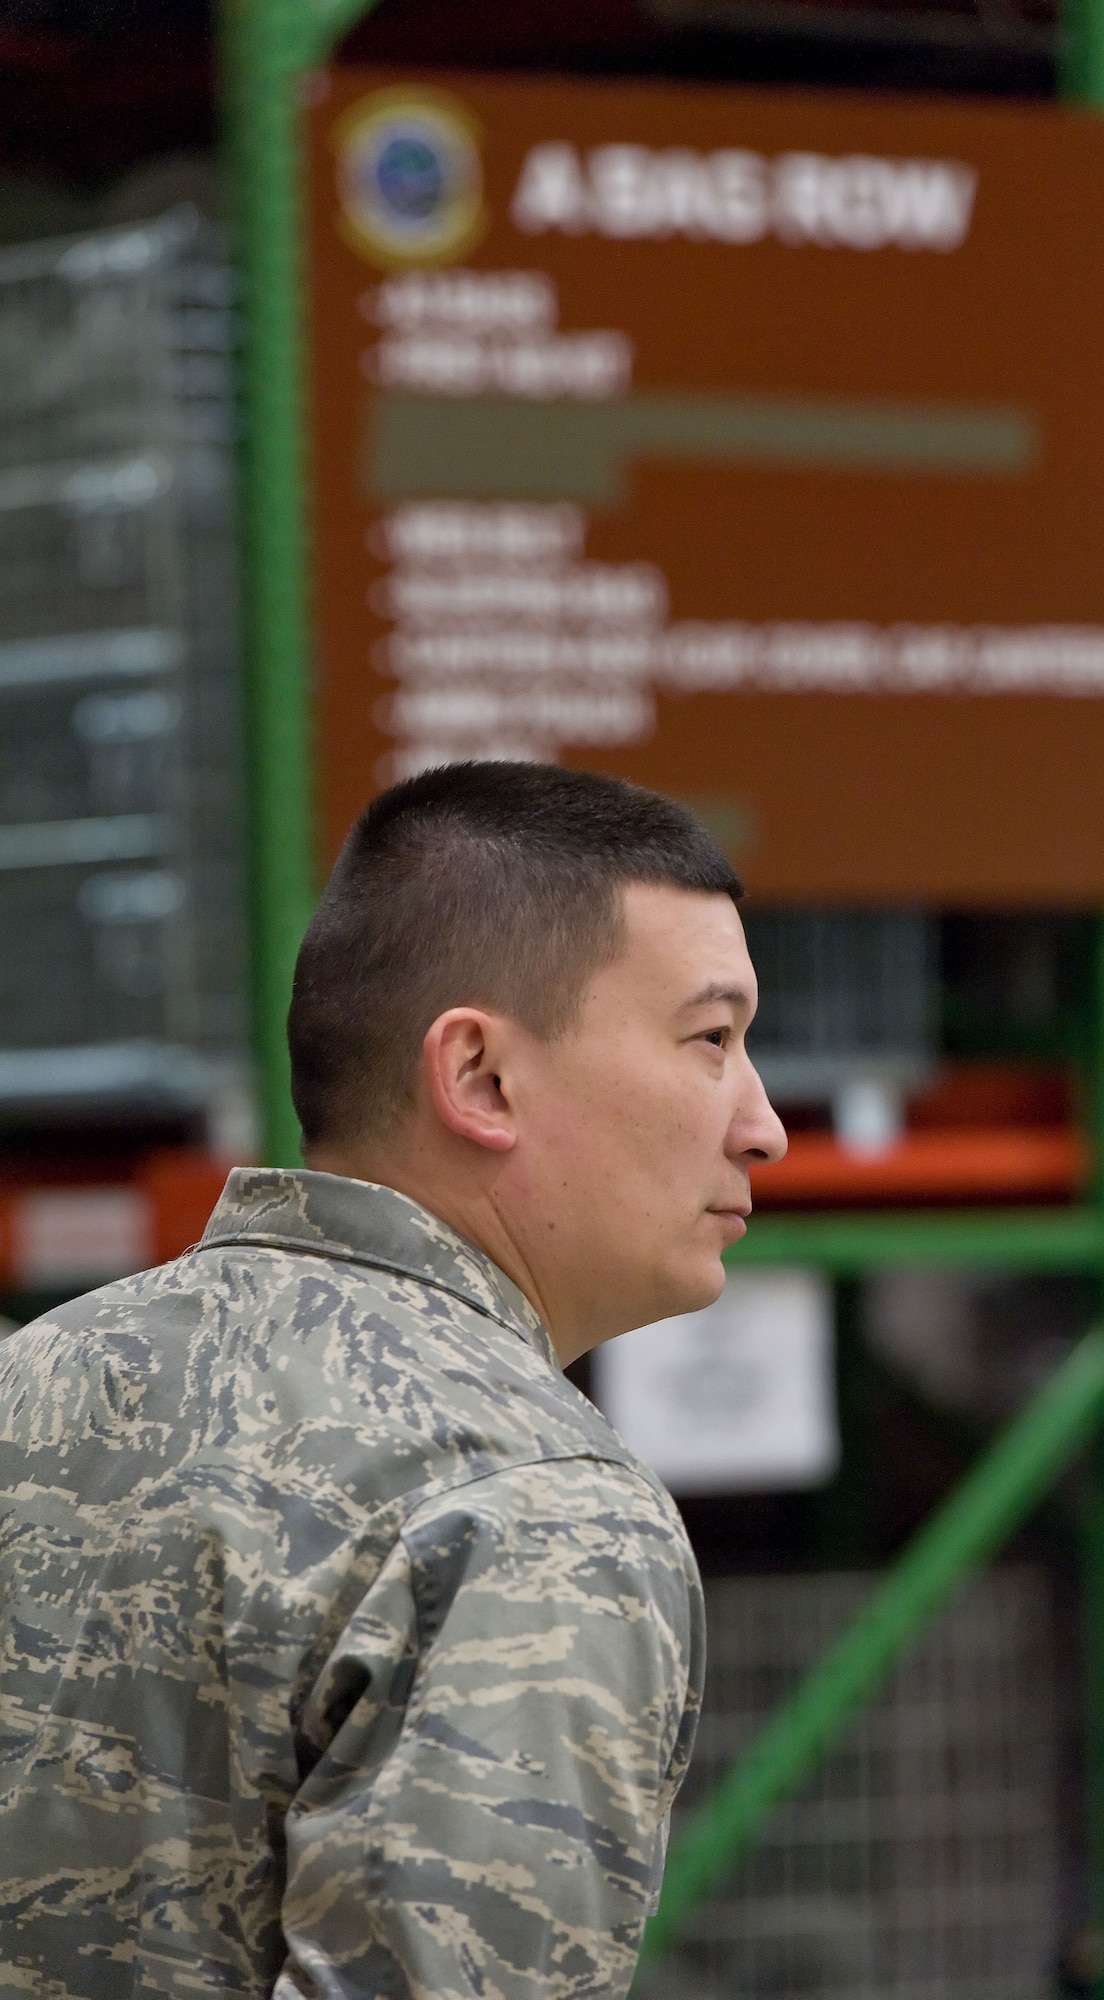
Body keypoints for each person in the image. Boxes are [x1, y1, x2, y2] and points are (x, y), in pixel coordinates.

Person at [0, 762, 787, 2000]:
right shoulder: (530, 1504)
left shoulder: (29, 1379)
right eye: (710, 1039)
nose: (761, 1123)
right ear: (477, 1076)